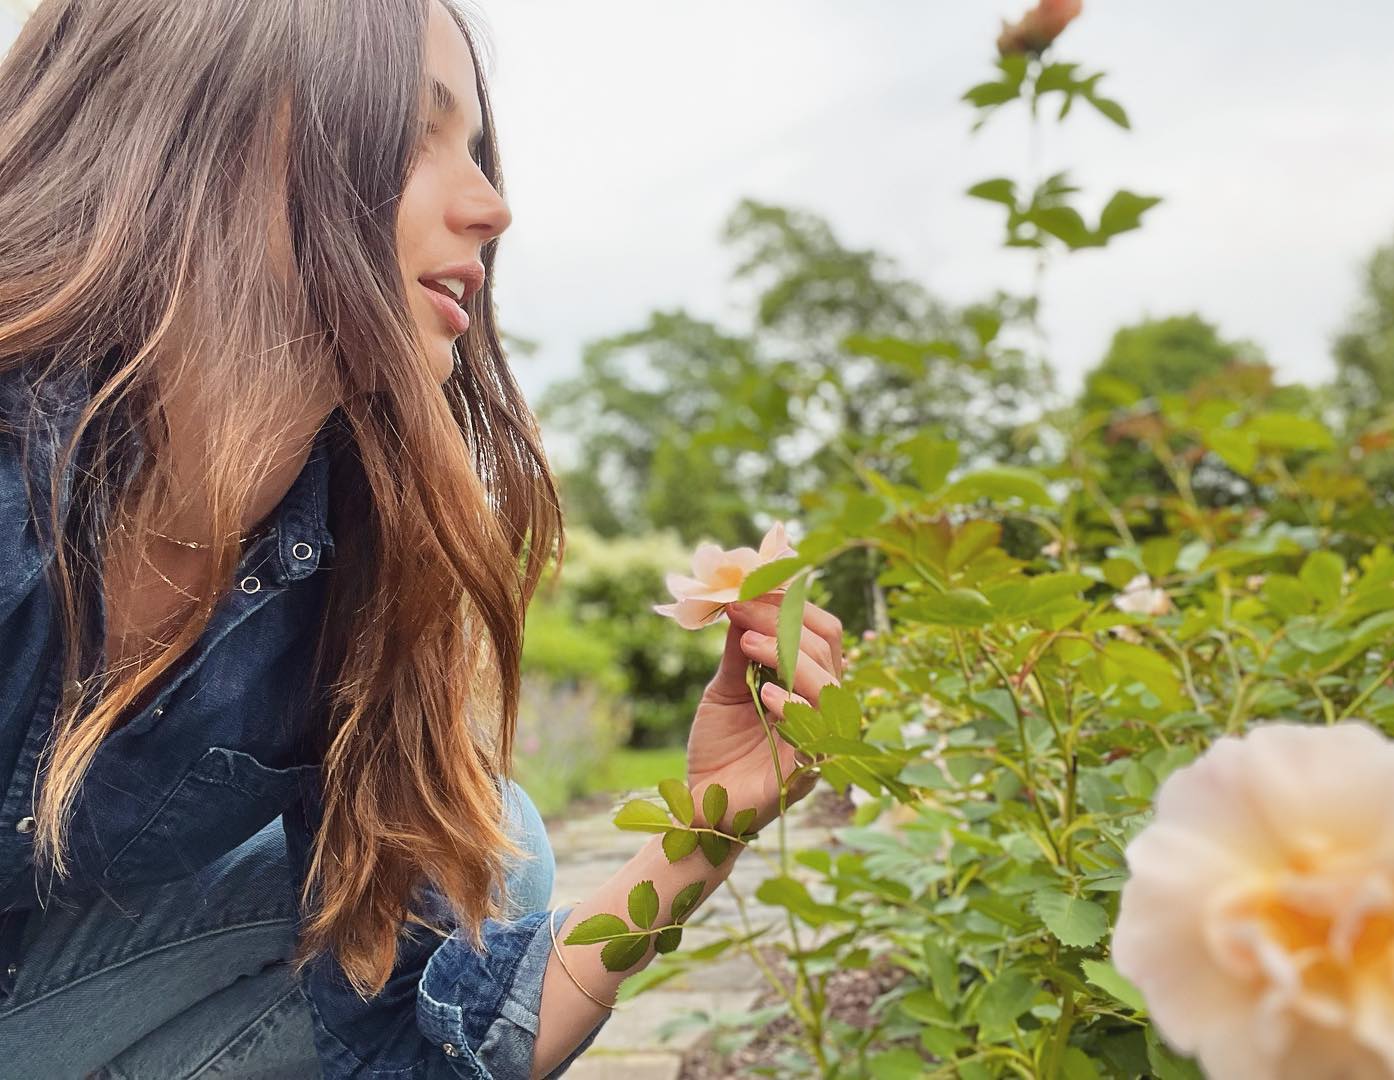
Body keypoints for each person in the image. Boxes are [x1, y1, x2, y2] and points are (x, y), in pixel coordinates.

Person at [0, 1, 843, 1076]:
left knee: (490, 850)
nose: (492, 206)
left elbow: (423, 1038)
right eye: (412, 134)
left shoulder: (356, 547)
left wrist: (707, 831)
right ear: (191, 136)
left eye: (481, 151)